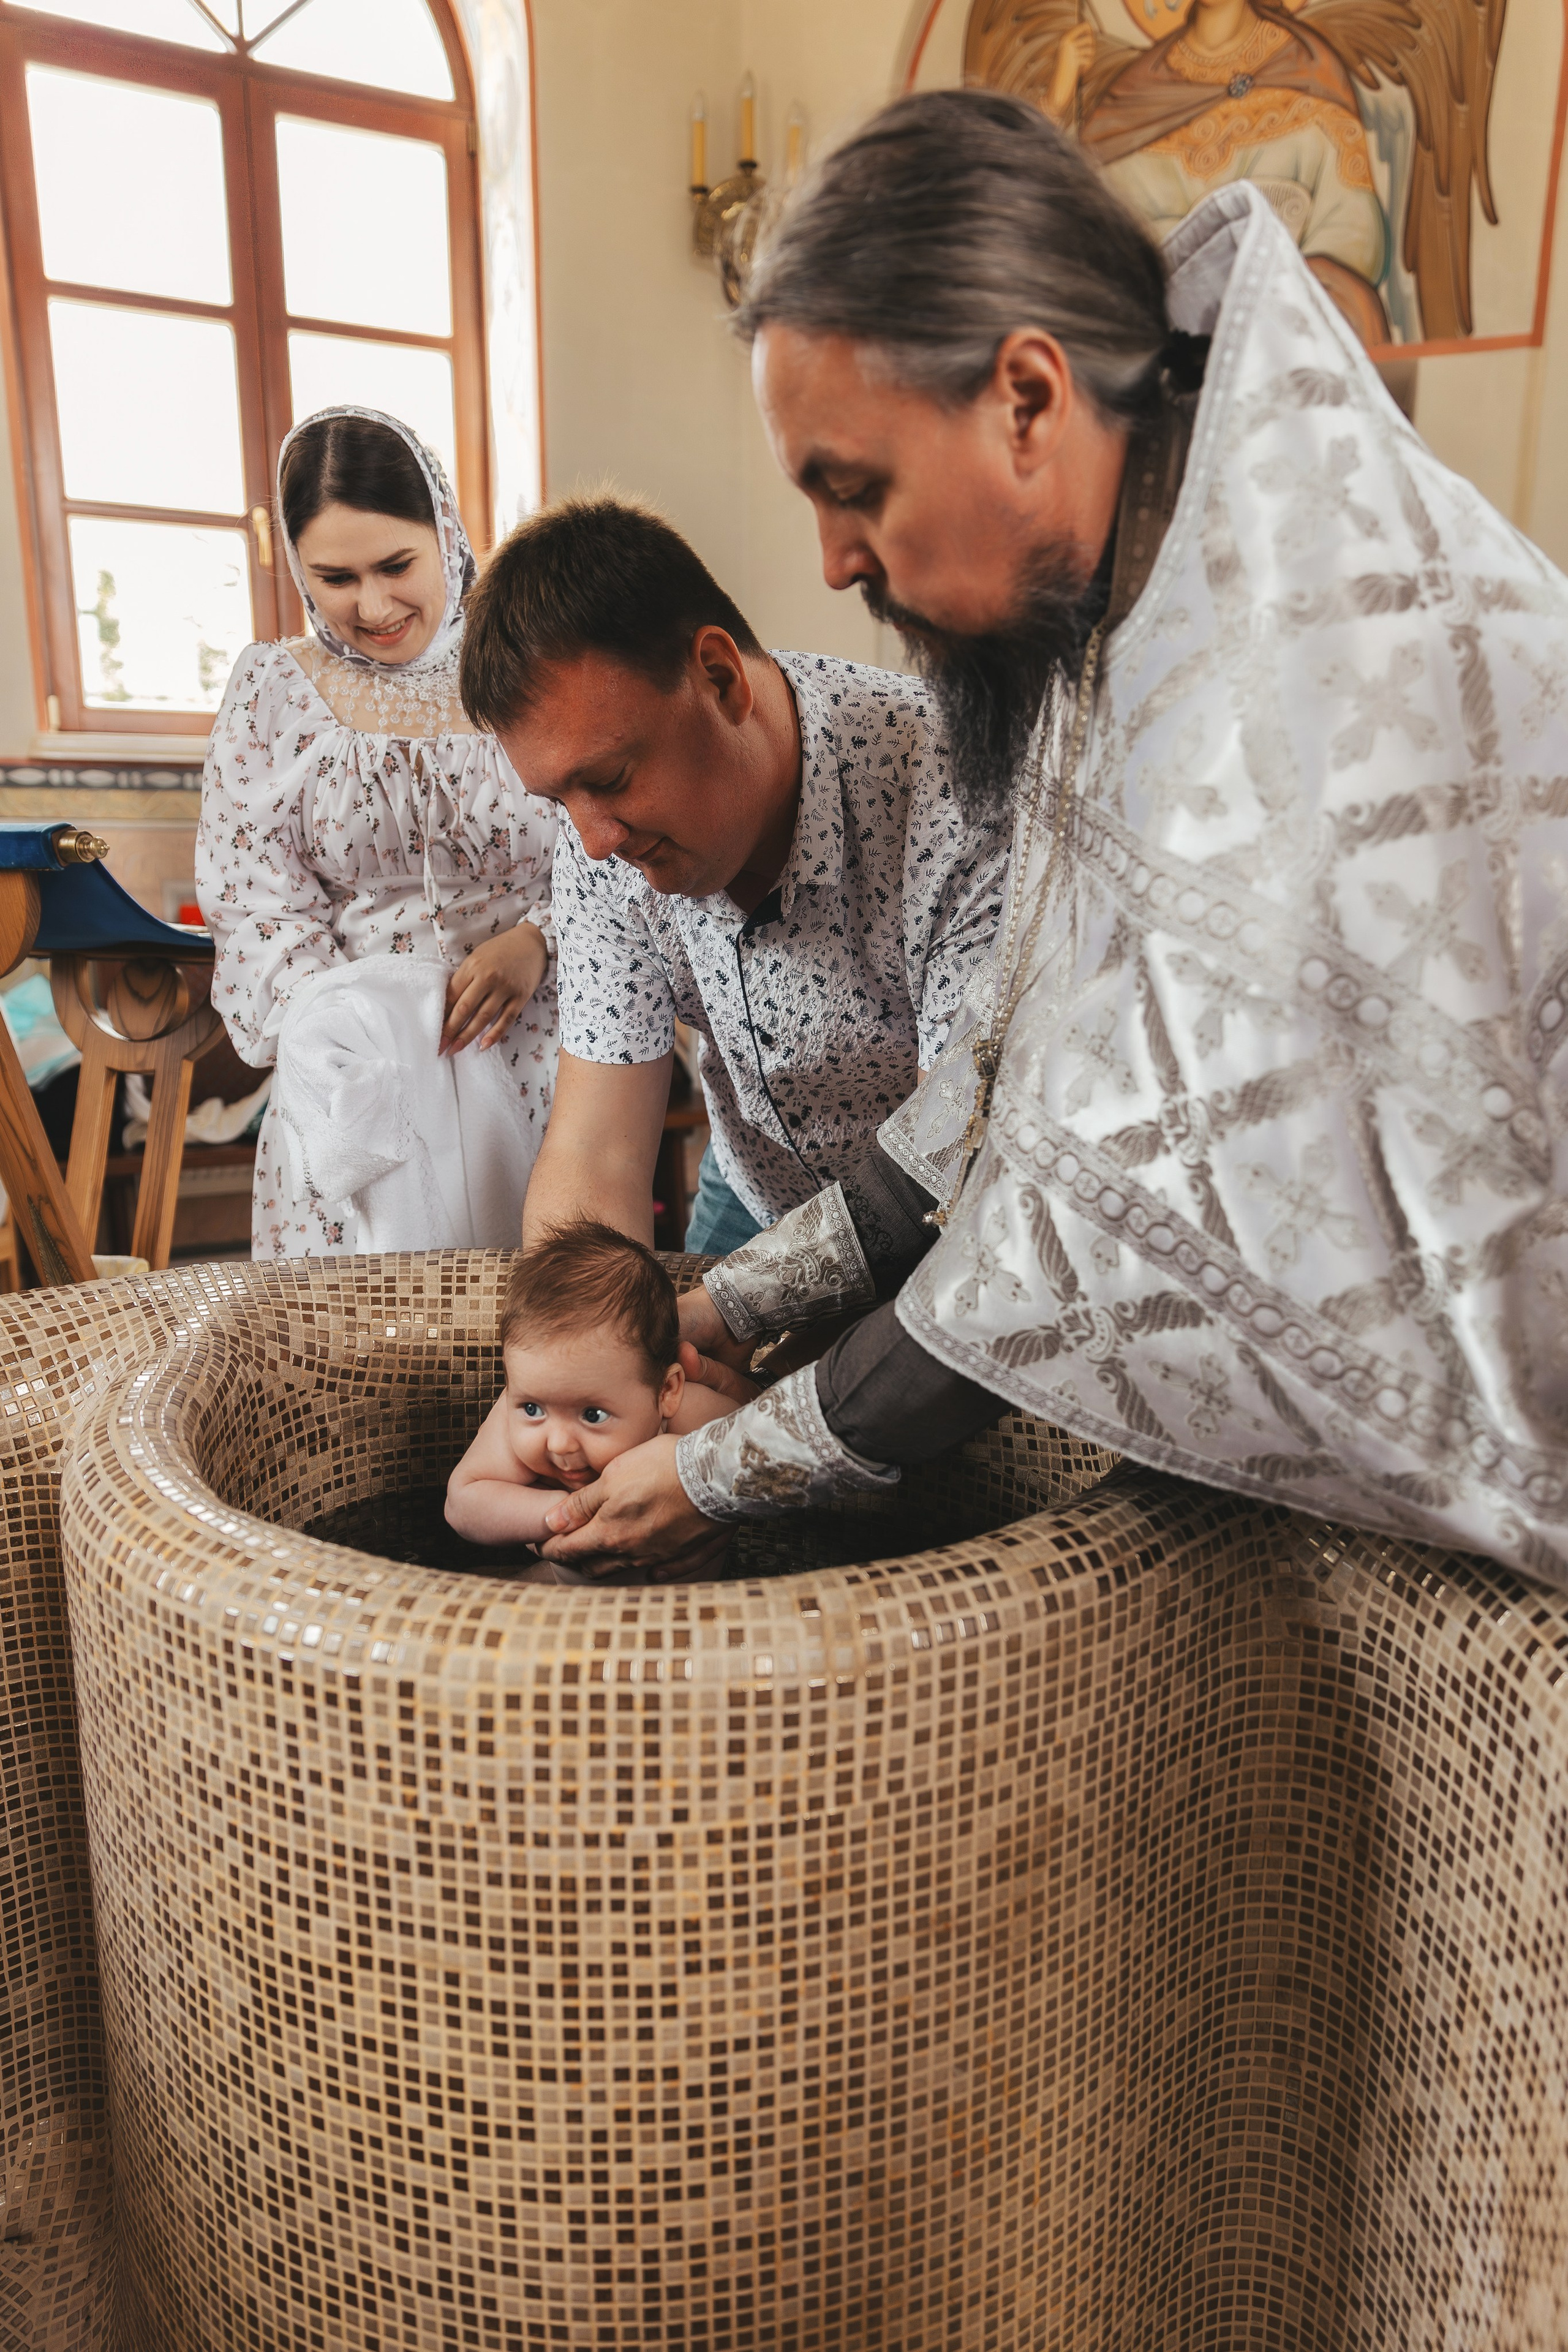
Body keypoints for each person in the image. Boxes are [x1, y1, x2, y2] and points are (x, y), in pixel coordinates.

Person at [533, 89, 1568, 1589]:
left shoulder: (1291, 663)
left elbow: (1110, 1228)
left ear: (1024, 397)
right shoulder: (1138, 584)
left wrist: (723, 1468)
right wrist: (739, 1301)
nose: (829, 560)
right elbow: (1038, 1066)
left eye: (855, 487)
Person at [456, 496, 1009, 1255]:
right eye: (559, 799)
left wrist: (739, 1315)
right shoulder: (598, 835)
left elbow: (949, 1169)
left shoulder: (959, 793)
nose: (591, 841)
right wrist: (574, 1342)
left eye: (612, 778)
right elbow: (595, 1151)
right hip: (753, 1182)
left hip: (931, 1211)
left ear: (719, 677)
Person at [197, 405, 557, 1256]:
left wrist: (541, 942)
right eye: (336, 577)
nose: (375, 604)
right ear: (297, 569)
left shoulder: (535, 664)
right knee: (368, 1347)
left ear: (444, 531)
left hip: (542, 1037)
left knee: (536, 1332)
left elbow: (612, 843)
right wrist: (363, 1032)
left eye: (397, 565)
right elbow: (253, 901)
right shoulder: (273, 692)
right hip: (353, 1068)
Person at [444, 1220, 739, 1548]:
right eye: (532, 1409)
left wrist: (694, 1473)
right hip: (566, 1595)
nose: (558, 1444)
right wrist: (563, 1514)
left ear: (666, 1391)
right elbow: (462, 1504)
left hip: (691, 1597)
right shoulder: (514, 1418)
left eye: (593, 1415)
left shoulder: (689, 1416)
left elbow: (764, 1459)